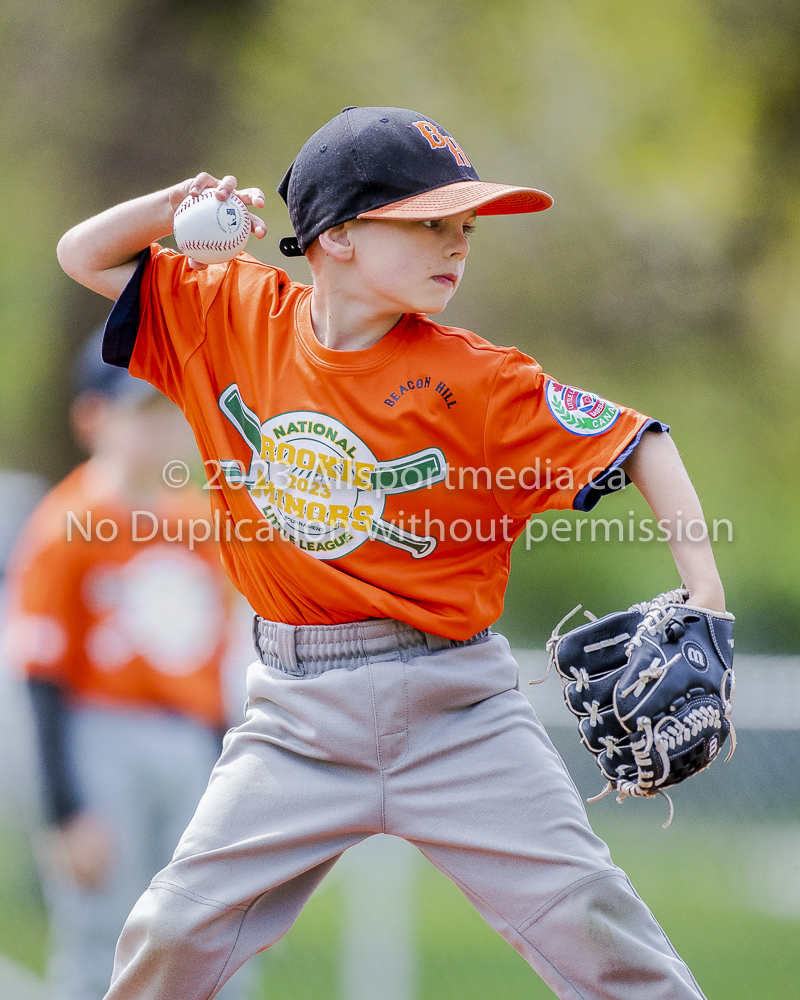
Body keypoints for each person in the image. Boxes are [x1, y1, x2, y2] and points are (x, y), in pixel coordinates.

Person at [56, 106, 726, 1000]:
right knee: (171, 933)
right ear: (334, 234)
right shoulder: (230, 313)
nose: (457, 244)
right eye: (427, 224)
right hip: (296, 716)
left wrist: (707, 604)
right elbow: (83, 254)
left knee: (595, 924)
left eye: (464, 227)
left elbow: (644, 445)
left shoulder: (481, 380)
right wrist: (175, 206)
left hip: (458, 710)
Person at [2, 335, 252, 1000]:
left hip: (191, 743)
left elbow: (212, 660)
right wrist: (65, 811)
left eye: (172, 412)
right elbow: (42, 670)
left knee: (209, 932)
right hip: (101, 736)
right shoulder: (69, 524)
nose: (164, 430)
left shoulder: (201, 526)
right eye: (144, 413)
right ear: (94, 419)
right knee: (105, 940)